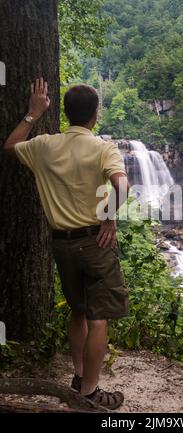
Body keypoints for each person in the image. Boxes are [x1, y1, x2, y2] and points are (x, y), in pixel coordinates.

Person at [4, 78, 130, 410]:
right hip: (95, 241)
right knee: (98, 318)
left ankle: (78, 377)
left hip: (61, 244)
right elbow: (122, 183)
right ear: (95, 114)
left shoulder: (44, 146)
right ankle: (89, 393)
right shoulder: (104, 148)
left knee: (79, 311)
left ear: (65, 112)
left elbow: (10, 145)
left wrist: (33, 114)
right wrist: (110, 217)